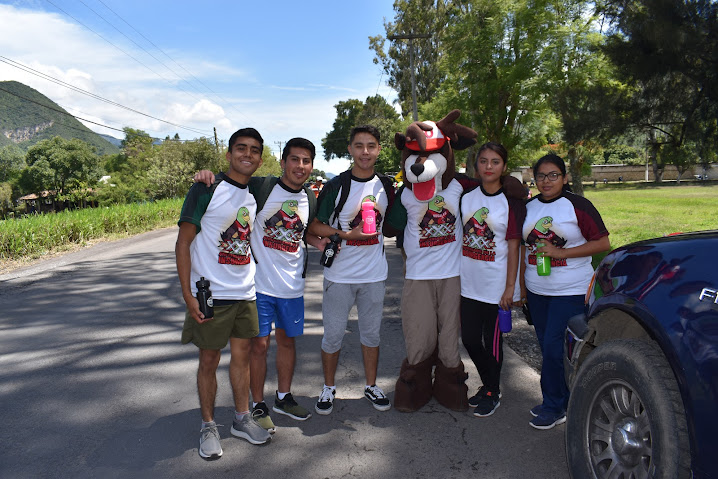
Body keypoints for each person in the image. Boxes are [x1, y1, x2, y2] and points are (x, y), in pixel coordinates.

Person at [193, 138, 324, 434]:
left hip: (292, 287)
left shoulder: (309, 198)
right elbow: (231, 183)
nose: (300, 166)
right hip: (259, 284)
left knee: (288, 342)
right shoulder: (262, 187)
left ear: (311, 166)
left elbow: (306, 229)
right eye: (294, 159)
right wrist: (206, 175)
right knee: (258, 346)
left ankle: (283, 398)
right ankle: (257, 405)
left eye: (306, 161)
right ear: (282, 162)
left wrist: (326, 238)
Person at [176, 127, 271, 461]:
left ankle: (242, 418)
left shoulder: (255, 192)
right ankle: (208, 424)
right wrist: (188, 295)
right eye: (241, 148)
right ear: (229, 154)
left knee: (243, 357)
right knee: (209, 359)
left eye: (254, 150)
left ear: (260, 158)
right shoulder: (205, 189)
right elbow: (183, 243)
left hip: (245, 291)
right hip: (210, 294)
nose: (248, 154)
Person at [519, 153, 610, 430]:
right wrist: (522, 287)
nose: (547, 181)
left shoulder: (577, 205)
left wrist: (561, 252)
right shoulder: (528, 207)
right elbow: (523, 247)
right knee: (549, 347)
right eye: (541, 176)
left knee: (553, 348)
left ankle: (554, 405)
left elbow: (603, 243)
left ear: (565, 177)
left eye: (553, 175)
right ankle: (562, 399)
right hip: (537, 289)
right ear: (534, 179)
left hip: (570, 289)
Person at [308, 125, 393, 415]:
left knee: (371, 336)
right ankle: (329, 387)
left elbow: (395, 222)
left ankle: (371, 386)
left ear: (379, 149)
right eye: (359, 145)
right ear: (350, 149)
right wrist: (346, 235)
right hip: (339, 277)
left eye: (371, 145)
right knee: (332, 336)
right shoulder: (337, 185)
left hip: (374, 275)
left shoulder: (386, 185)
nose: (365, 151)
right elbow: (316, 226)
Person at [460, 143, 525, 417]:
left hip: (497, 286)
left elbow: (513, 247)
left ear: (504, 167)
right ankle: (489, 384)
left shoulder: (510, 204)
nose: (488, 166)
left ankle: (492, 390)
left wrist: (511, 287)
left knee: (493, 342)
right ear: (476, 166)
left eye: (495, 161)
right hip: (468, 284)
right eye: (484, 161)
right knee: (470, 340)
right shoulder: (466, 198)